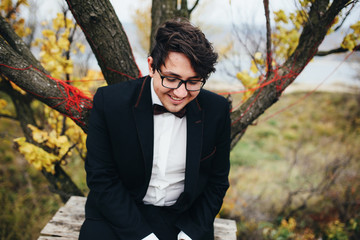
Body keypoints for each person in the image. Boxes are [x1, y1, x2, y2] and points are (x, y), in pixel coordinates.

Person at [79, 18, 231, 240]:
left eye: (193, 82)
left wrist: (190, 233)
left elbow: (217, 183)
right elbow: (101, 178)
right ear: (151, 66)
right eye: (172, 79)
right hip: (118, 214)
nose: (180, 93)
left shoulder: (217, 110)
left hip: (185, 219)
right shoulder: (109, 102)